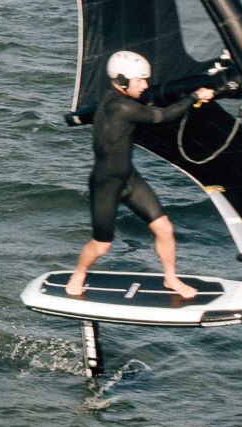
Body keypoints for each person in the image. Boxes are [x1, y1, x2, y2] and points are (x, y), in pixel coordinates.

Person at [68, 49, 215, 300]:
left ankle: (170, 278)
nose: (145, 86)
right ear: (122, 82)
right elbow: (163, 116)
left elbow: (149, 104)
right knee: (102, 245)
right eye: (141, 81)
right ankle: (78, 273)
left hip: (129, 179)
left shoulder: (115, 98)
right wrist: (195, 95)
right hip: (106, 184)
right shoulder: (121, 107)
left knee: (165, 229)